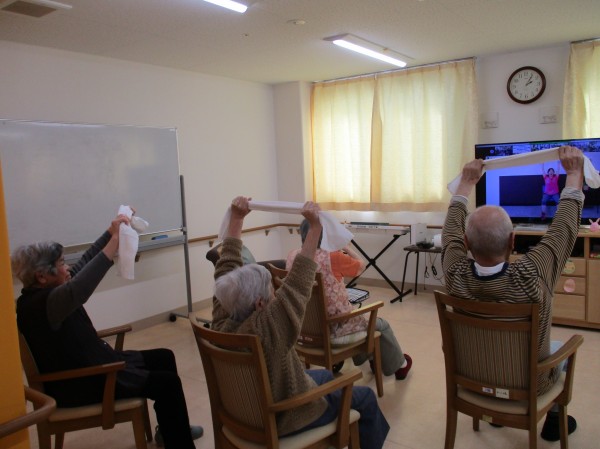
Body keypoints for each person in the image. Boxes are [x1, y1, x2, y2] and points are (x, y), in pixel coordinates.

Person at [12, 212, 202, 449]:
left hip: (92, 365)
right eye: (61, 263)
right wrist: (114, 243)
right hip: (82, 383)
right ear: (41, 276)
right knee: (167, 384)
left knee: (164, 356)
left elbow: (82, 267)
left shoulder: (44, 295)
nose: (67, 267)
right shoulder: (43, 304)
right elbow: (80, 287)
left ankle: (170, 430)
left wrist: (110, 233)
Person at [212, 197, 389, 449]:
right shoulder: (269, 328)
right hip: (285, 416)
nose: (276, 295)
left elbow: (226, 267)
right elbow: (299, 282)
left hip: (247, 412)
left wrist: (237, 219)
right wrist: (315, 226)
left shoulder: (222, 319)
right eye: (271, 292)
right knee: (365, 398)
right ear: (260, 305)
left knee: (325, 375)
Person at [441, 145, 584, 442]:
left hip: (473, 380)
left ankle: (493, 411)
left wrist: (466, 183)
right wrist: (573, 173)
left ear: (466, 243)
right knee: (562, 348)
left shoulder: (454, 273)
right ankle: (553, 421)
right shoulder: (533, 275)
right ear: (512, 241)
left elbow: (450, 232)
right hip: (530, 385)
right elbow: (564, 229)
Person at [286, 219, 412, 379]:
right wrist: (346, 247)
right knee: (381, 325)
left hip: (303, 331)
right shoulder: (333, 257)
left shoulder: (293, 256)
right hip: (335, 329)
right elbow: (361, 266)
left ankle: (372, 358)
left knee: (362, 322)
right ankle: (400, 366)